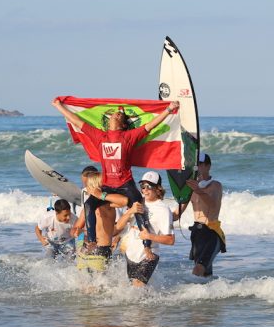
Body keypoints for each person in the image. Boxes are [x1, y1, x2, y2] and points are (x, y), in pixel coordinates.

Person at [52, 98, 179, 254]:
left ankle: (147, 246)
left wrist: (168, 109)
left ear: (124, 124)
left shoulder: (129, 136)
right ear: (109, 120)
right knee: (89, 205)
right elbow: (77, 122)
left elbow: (151, 125)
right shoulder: (100, 136)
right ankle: (92, 241)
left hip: (125, 184)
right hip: (107, 185)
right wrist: (59, 107)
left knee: (139, 207)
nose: (117, 115)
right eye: (115, 114)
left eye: (120, 116)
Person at [115, 171, 175, 287]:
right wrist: (130, 212)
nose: (145, 190)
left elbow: (170, 240)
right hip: (131, 253)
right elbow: (119, 226)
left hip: (149, 255)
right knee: (133, 291)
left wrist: (149, 236)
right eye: (143, 186)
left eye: (149, 186)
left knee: (137, 287)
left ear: (158, 189)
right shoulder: (136, 203)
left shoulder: (163, 210)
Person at [173, 153, 226, 277]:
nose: (197, 168)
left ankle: (189, 295)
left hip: (212, 232)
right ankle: (212, 294)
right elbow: (177, 214)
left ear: (208, 166)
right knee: (205, 274)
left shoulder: (215, 186)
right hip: (197, 233)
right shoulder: (190, 189)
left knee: (198, 270)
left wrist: (198, 190)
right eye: (195, 165)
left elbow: (212, 204)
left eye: (200, 165)